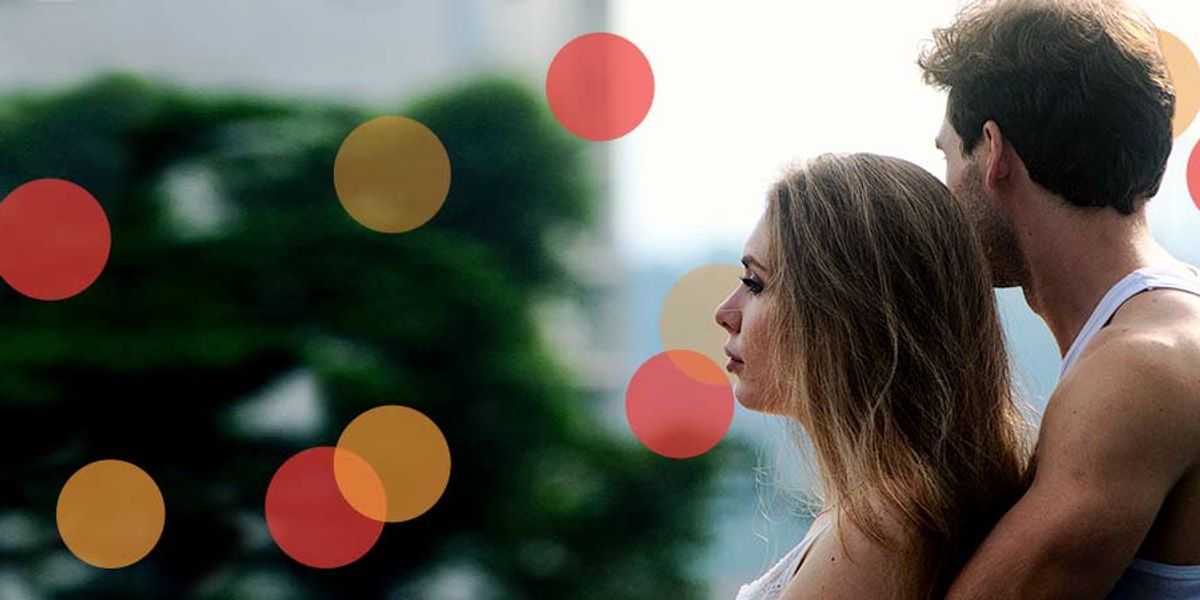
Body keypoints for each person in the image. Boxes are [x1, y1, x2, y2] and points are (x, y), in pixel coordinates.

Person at [918, 0, 1200, 598]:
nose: (943, 192)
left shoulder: (1141, 370)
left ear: (992, 152)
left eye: (946, 154)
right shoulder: (1162, 330)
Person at [715, 153, 1031, 599]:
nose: (726, 313)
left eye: (756, 284)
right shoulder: (879, 511)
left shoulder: (882, 526)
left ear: (844, 312)